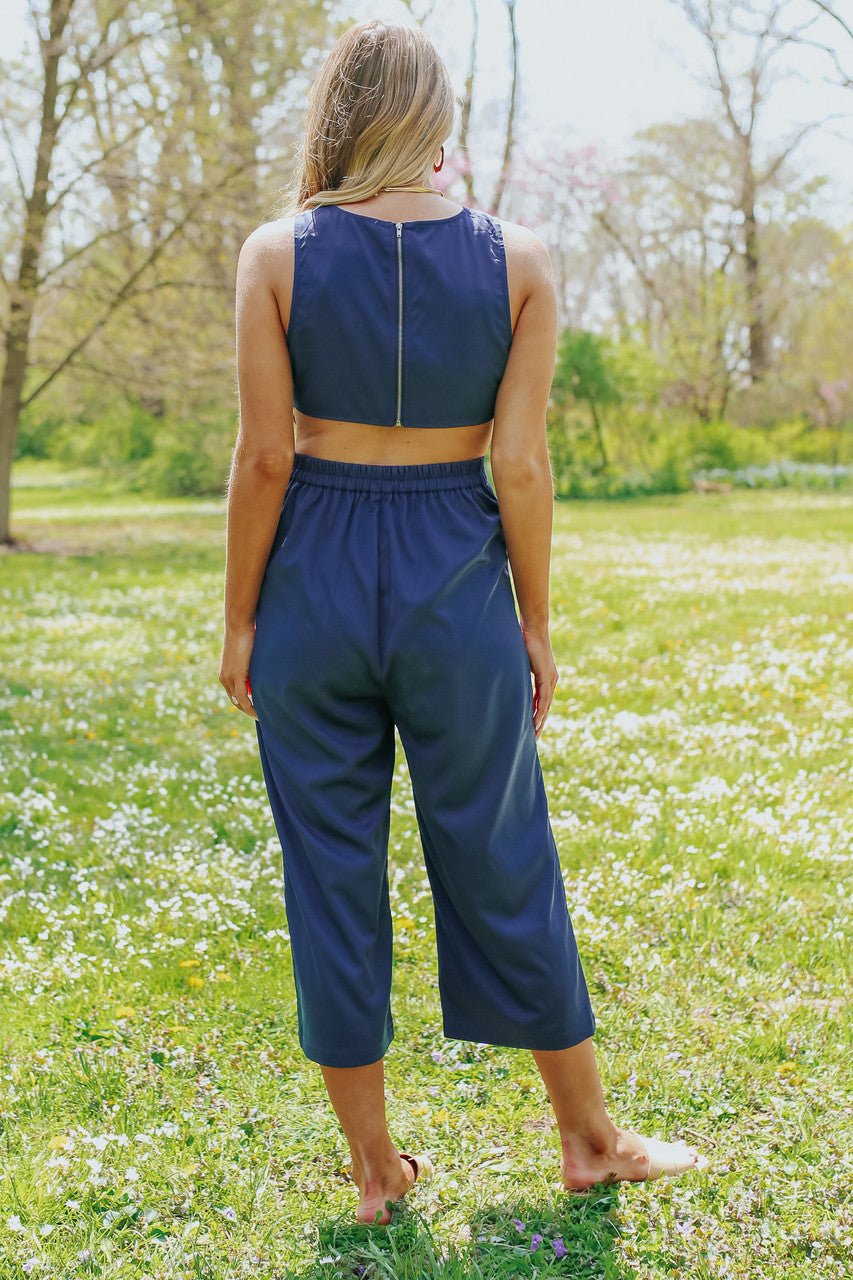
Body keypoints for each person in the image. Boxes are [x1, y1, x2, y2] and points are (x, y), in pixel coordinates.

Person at [219, 18, 702, 1229]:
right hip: (456, 577)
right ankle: (589, 1139)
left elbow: (265, 457)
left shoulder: (274, 254)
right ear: (437, 117)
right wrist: (534, 620)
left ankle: (375, 1171)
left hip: (313, 579)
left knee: (330, 871)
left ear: (335, 112)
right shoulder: (519, 260)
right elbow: (520, 463)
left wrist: (238, 621)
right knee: (501, 848)